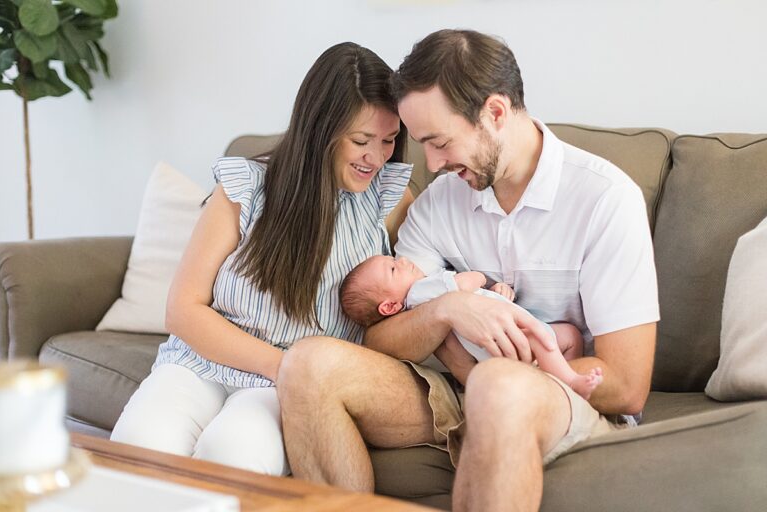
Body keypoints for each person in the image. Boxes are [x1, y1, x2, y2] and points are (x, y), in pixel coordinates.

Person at [276, 29, 659, 511]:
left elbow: (625, 384)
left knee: (497, 385)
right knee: (306, 363)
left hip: (556, 395)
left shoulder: (603, 200)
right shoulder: (440, 204)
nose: (432, 164)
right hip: (452, 387)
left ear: (494, 113)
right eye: (420, 145)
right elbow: (381, 339)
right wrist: (450, 310)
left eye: (439, 142)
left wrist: (503, 373)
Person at [109, 42, 413, 476]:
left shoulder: (389, 197)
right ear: (319, 130)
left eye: (389, 140)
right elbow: (183, 310)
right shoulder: (245, 187)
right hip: (203, 363)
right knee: (139, 450)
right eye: (361, 140)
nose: (377, 156)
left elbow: (431, 269)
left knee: (233, 455)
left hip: (288, 387)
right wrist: (280, 363)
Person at [340, 254, 602, 398]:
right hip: (507, 338)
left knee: (569, 335)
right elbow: (464, 284)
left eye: (393, 259)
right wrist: (480, 278)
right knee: (546, 339)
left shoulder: (420, 307)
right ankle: (570, 382)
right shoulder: (419, 292)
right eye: (394, 269)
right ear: (390, 307)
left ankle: (559, 385)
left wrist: (497, 292)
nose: (403, 261)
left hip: (498, 346)